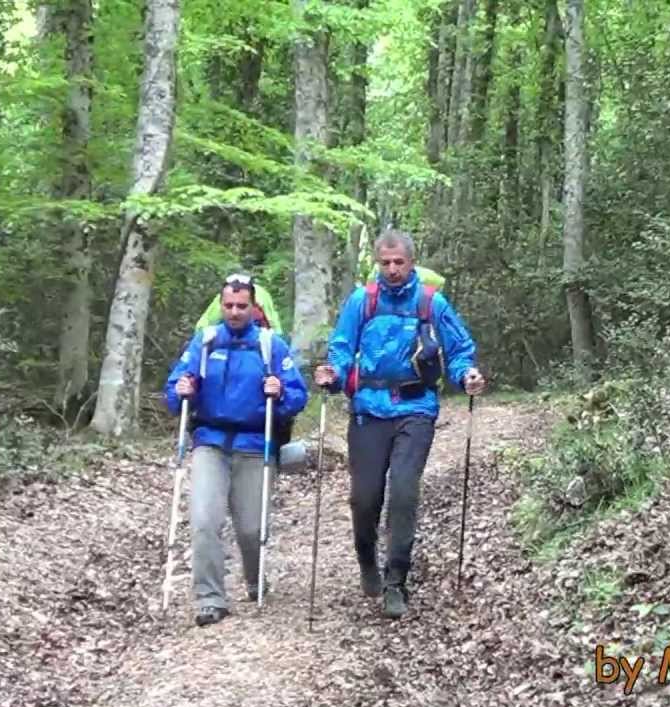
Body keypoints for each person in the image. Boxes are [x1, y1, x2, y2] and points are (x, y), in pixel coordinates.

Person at [314, 228, 486, 619]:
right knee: (364, 499)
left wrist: (467, 375)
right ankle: (367, 562)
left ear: (412, 263)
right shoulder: (363, 300)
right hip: (368, 410)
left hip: (416, 408)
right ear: (378, 263)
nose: (392, 269)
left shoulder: (431, 302)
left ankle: (397, 580)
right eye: (385, 262)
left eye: (399, 262)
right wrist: (333, 374)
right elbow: (342, 347)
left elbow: (459, 349)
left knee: (404, 493)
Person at [164, 274, 309, 627]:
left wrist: (280, 392)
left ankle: (255, 579)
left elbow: (298, 396)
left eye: (241, 306)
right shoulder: (206, 342)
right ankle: (209, 598)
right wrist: (181, 389)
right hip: (210, 442)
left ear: (253, 306)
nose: (234, 312)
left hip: (256, 444)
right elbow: (174, 392)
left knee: (250, 528)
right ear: (221, 305)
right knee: (203, 521)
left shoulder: (271, 345)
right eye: (228, 305)